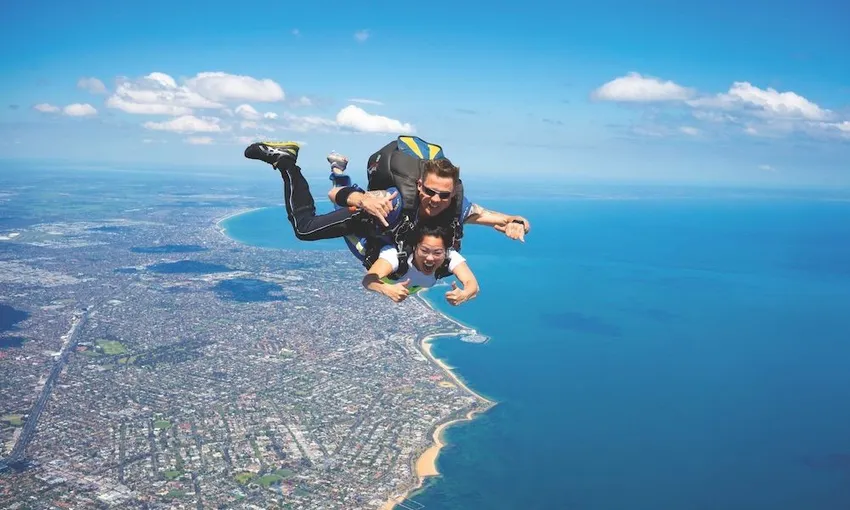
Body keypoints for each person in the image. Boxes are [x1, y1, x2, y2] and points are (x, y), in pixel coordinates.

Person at [242, 140, 531, 258]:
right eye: (429, 191)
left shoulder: (456, 206)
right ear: (419, 186)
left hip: (390, 234)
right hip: (372, 220)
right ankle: (286, 162)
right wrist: (361, 199)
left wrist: (516, 224)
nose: (435, 199)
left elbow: (504, 218)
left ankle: (339, 168)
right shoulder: (393, 199)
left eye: (444, 195)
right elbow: (335, 196)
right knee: (305, 229)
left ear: (453, 193)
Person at [362, 223, 479, 306]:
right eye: (424, 251)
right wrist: (387, 289)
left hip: (408, 286)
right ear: (415, 248)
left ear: (445, 252)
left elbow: (472, 284)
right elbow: (368, 279)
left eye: (437, 253)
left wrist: (464, 294)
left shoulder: (450, 257)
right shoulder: (396, 256)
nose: (430, 258)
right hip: (364, 250)